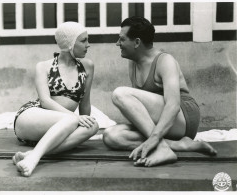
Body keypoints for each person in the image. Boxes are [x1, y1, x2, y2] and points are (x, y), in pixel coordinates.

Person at [103, 16, 217, 167]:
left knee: (120, 94)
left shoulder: (165, 61)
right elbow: (142, 110)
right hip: (163, 122)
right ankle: (179, 145)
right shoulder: (133, 63)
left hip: (183, 117)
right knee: (111, 136)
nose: (118, 43)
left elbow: (173, 105)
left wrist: (153, 138)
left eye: (122, 39)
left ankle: (162, 148)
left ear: (137, 42)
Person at [12, 22, 99, 177]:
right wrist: (75, 118)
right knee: (72, 120)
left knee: (93, 126)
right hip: (33, 116)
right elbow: (45, 101)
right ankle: (34, 160)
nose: (88, 45)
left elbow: (85, 103)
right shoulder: (44, 66)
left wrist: (84, 122)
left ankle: (32, 154)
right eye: (83, 40)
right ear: (70, 43)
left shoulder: (87, 66)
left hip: (60, 126)